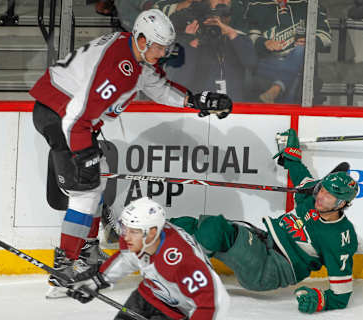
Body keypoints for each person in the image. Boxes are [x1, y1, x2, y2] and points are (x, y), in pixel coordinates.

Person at [29, 8, 233, 298]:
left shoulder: (135, 56)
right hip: (60, 115)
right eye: (159, 47)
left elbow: (158, 87)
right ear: (141, 40)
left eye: (165, 47)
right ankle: (65, 269)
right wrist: (83, 152)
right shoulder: (120, 68)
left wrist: (196, 101)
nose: (163, 53)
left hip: (65, 113)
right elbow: (76, 117)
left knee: (95, 181)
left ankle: (86, 252)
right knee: (85, 191)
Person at [170, 128, 359, 314]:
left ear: (342, 204)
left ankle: (179, 279)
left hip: (272, 268)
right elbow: (300, 173)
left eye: (329, 196)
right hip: (263, 242)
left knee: (215, 230)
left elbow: (341, 295)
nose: (321, 197)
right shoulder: (312, 195)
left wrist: (319, 300)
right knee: (188, 225)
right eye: (322, 190)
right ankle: (154, 235)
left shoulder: (340, 237)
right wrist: (292, 154)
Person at [66, 197, 230, 320]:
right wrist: (96, 281)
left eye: (133, 231)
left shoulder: (181, 260)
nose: (125, 236)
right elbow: (126, 259)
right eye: (125, 228)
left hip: (179, 312)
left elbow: (211, 303)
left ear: (152, 232)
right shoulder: (135, 237)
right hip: (148, 295)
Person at [165, 0, 258, 101]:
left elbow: (251, 63)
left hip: (234, 108)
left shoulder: (236, 38)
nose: (222, 1)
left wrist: (232, 34)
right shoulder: (188, 41)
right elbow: (178, 83)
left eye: (223, 15)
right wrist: (190, 44)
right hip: (202, 108)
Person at [246, 0, 331, 103]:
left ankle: (276, 90)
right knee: (295, 76)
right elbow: (249, 38)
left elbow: (326, 37)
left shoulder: (310, 4)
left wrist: (312, 41)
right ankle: (283, 102)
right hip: (269, 62)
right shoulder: (257, 4)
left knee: (301, 51)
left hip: (301, 62)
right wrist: (264, 43)